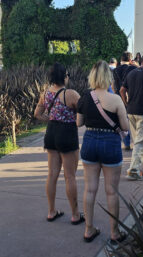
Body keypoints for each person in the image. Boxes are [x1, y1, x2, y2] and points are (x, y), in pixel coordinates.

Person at [77, 61, 129, 244]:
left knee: (90, 189)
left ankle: (88, 229)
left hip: (90, 142)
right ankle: (115, 233)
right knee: (111, 191)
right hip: (110, 144)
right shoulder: (115, 100)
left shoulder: (84, 97)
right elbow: (125, 127)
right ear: (109, 77)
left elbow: (79, 123)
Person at [33, 63, 83, 225]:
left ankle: (51, 211)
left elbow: (37, 114)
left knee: (52, 174)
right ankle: (75, 214)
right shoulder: (71, 94)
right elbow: (84, 112)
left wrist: (52, 118)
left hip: (51, 132)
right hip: (67, 133)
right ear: (64, 77)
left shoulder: (46, 93)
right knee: (70, 176)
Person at [120, 53, 143, 181]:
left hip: (131, 111)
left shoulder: (131, 72)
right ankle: (134, 170)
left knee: (139, 140)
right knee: (141, 141)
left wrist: (126, 103)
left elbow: (121, 90)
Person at [112, 52, 136, 151]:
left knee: (122, 120)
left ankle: (126, 143)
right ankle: (136, 143)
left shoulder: (115, 70)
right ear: (130, 59)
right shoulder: (133, 69)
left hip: (119, 97)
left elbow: (113, 85)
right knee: (133, 121)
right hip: (131, 97)